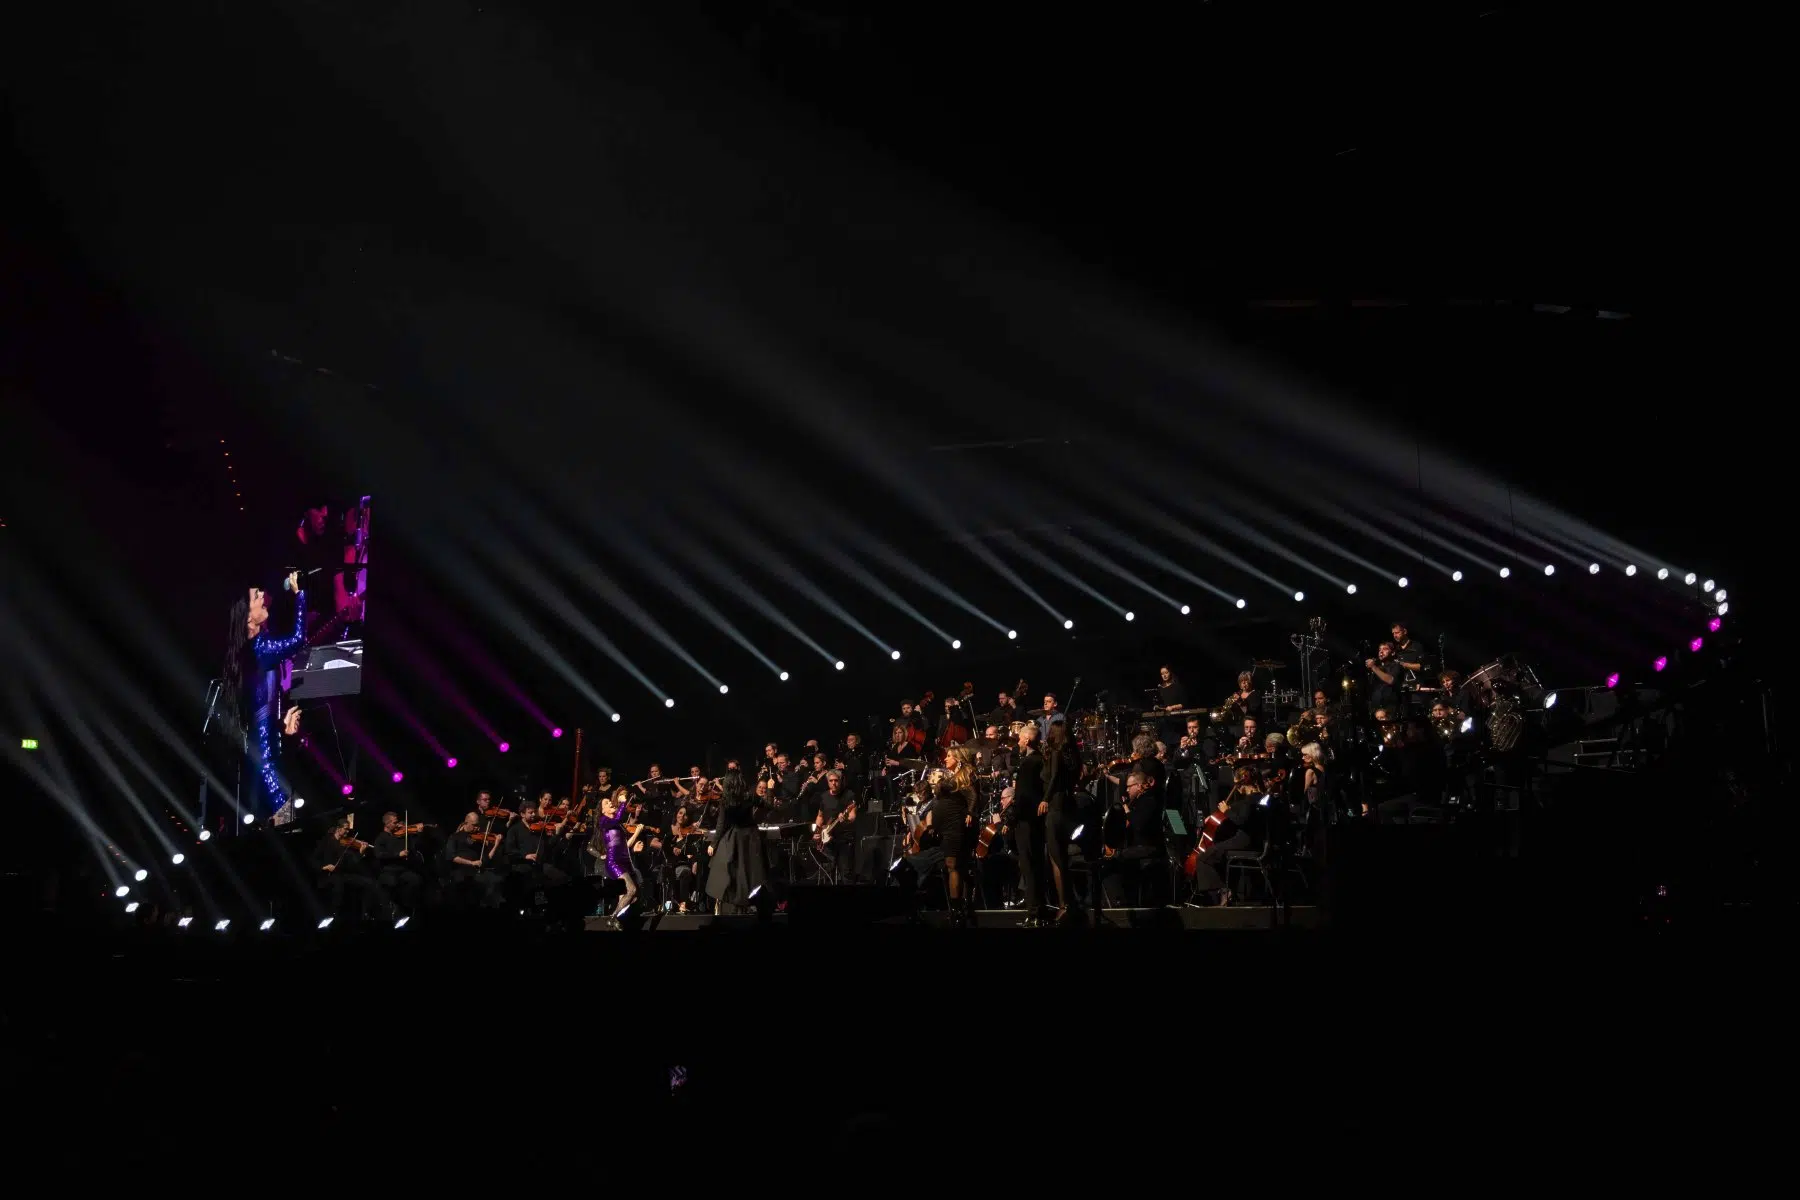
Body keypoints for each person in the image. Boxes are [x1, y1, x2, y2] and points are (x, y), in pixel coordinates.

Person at [221, 571, 307, 817]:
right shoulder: (259, 648)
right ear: (247, 617)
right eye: (257, 596)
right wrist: (300, 594)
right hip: (269, 762)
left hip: (272, 751)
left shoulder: (257, 648)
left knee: (288, 816)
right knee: (285, 816)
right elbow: (298, 638)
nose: (264, 597)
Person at [924, 744, 978, 926]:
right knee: (956, 866)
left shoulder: (964, 775)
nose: (945, 759)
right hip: (946, 827)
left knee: (953, 864)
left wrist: (970, 813)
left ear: (958, 759)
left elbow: (972, 795)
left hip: (956, 826)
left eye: (949, 756)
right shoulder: (953, 777)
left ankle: (956, 910)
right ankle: (964, 907)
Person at [705, 771, 767, 915]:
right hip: (751, 837)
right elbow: (765, 805)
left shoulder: (726, 801)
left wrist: (713, 844)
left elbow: (721, 825)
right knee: (749, 871)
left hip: (735, 837)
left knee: (732, 870)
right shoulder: (749, 796)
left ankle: (735, 904)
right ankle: (748, 903)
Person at [1009, 721, 1048, 927]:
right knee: (1037, 864)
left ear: (1025, 739)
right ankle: (1038, 909)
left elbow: (1022, 795)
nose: (1017, 743)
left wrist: (1011, 819)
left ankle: (1033, 913)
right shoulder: (1041, 760)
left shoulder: (1027, 763)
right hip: (1038, 820)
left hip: (1025, 820)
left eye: (1019, 739)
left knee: (1028, 865)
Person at [590, 789, 639, 921]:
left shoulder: (617, 825)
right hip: (614, 862)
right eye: (606, 803)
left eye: (610, 801)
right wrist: (622, 803)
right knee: (631, 890)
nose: (610, 803)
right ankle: (612, 918)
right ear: (603, 810)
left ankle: (618, 923)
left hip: (624, 861)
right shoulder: (603, 821)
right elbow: (618, 817)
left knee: (631, 897)